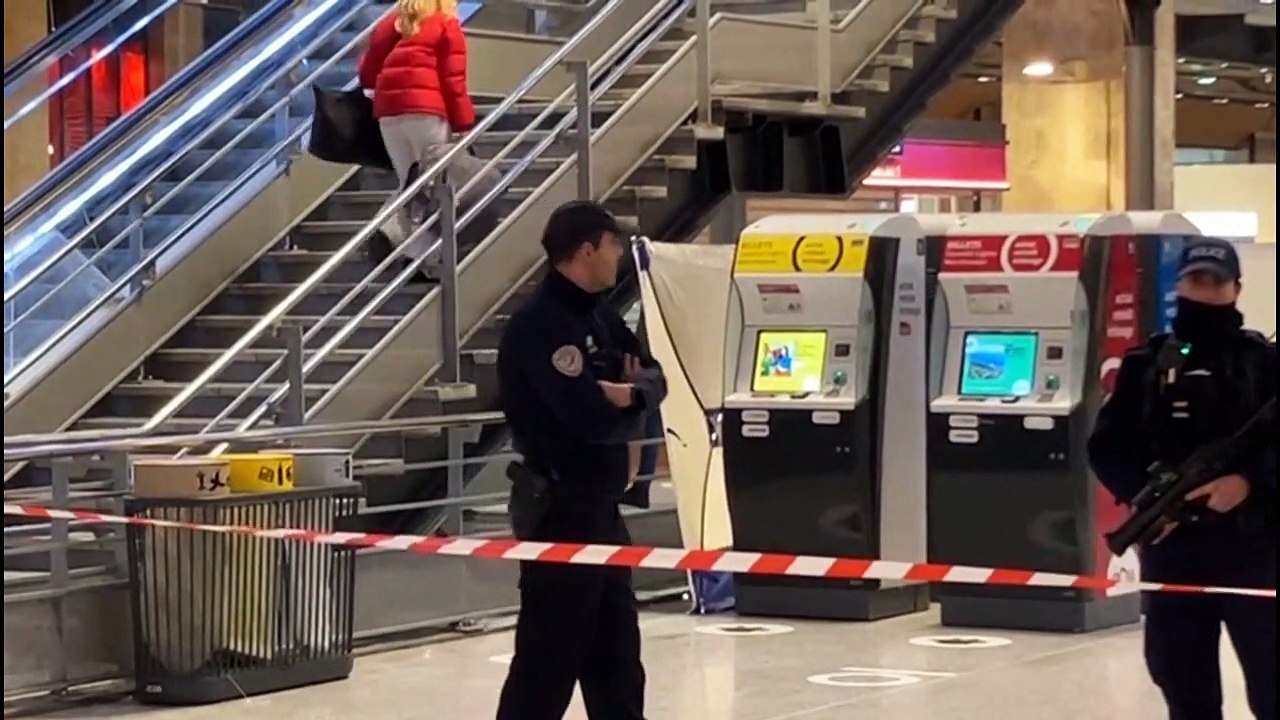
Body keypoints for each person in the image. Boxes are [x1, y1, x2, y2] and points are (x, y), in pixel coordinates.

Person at [1088, 237, 1276, 720]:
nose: (1206, 290)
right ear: (1180, 285)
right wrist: (1144, 496)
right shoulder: (1144, 366)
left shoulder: (1265, 365)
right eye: (1197, 280)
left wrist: (1249, 484)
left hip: (1256, 554)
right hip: (1175, 554)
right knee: (1183, 686)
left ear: (1236, 289)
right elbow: (1106, 446)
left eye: (1217, 282)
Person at [495, 201, 667, 720]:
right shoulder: (541, 326)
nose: (619, 255)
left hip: (603, 513)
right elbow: (585, 417)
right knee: (548, 660)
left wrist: (629, 395)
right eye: (614, 245)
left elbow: (654, 376)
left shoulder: (599, 313)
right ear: (587, 249)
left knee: (617, 656)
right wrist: (615, 399)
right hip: (561, 513)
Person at [359, 0, 474, 268]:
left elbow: (367, 71)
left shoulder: (396, 23)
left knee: (408, 184)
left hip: (388, 113)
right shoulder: (446, 25)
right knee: (436, 185)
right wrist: (464, 123)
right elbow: (453, 80)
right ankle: (416, 245)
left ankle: (416, 250)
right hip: (426, 112)